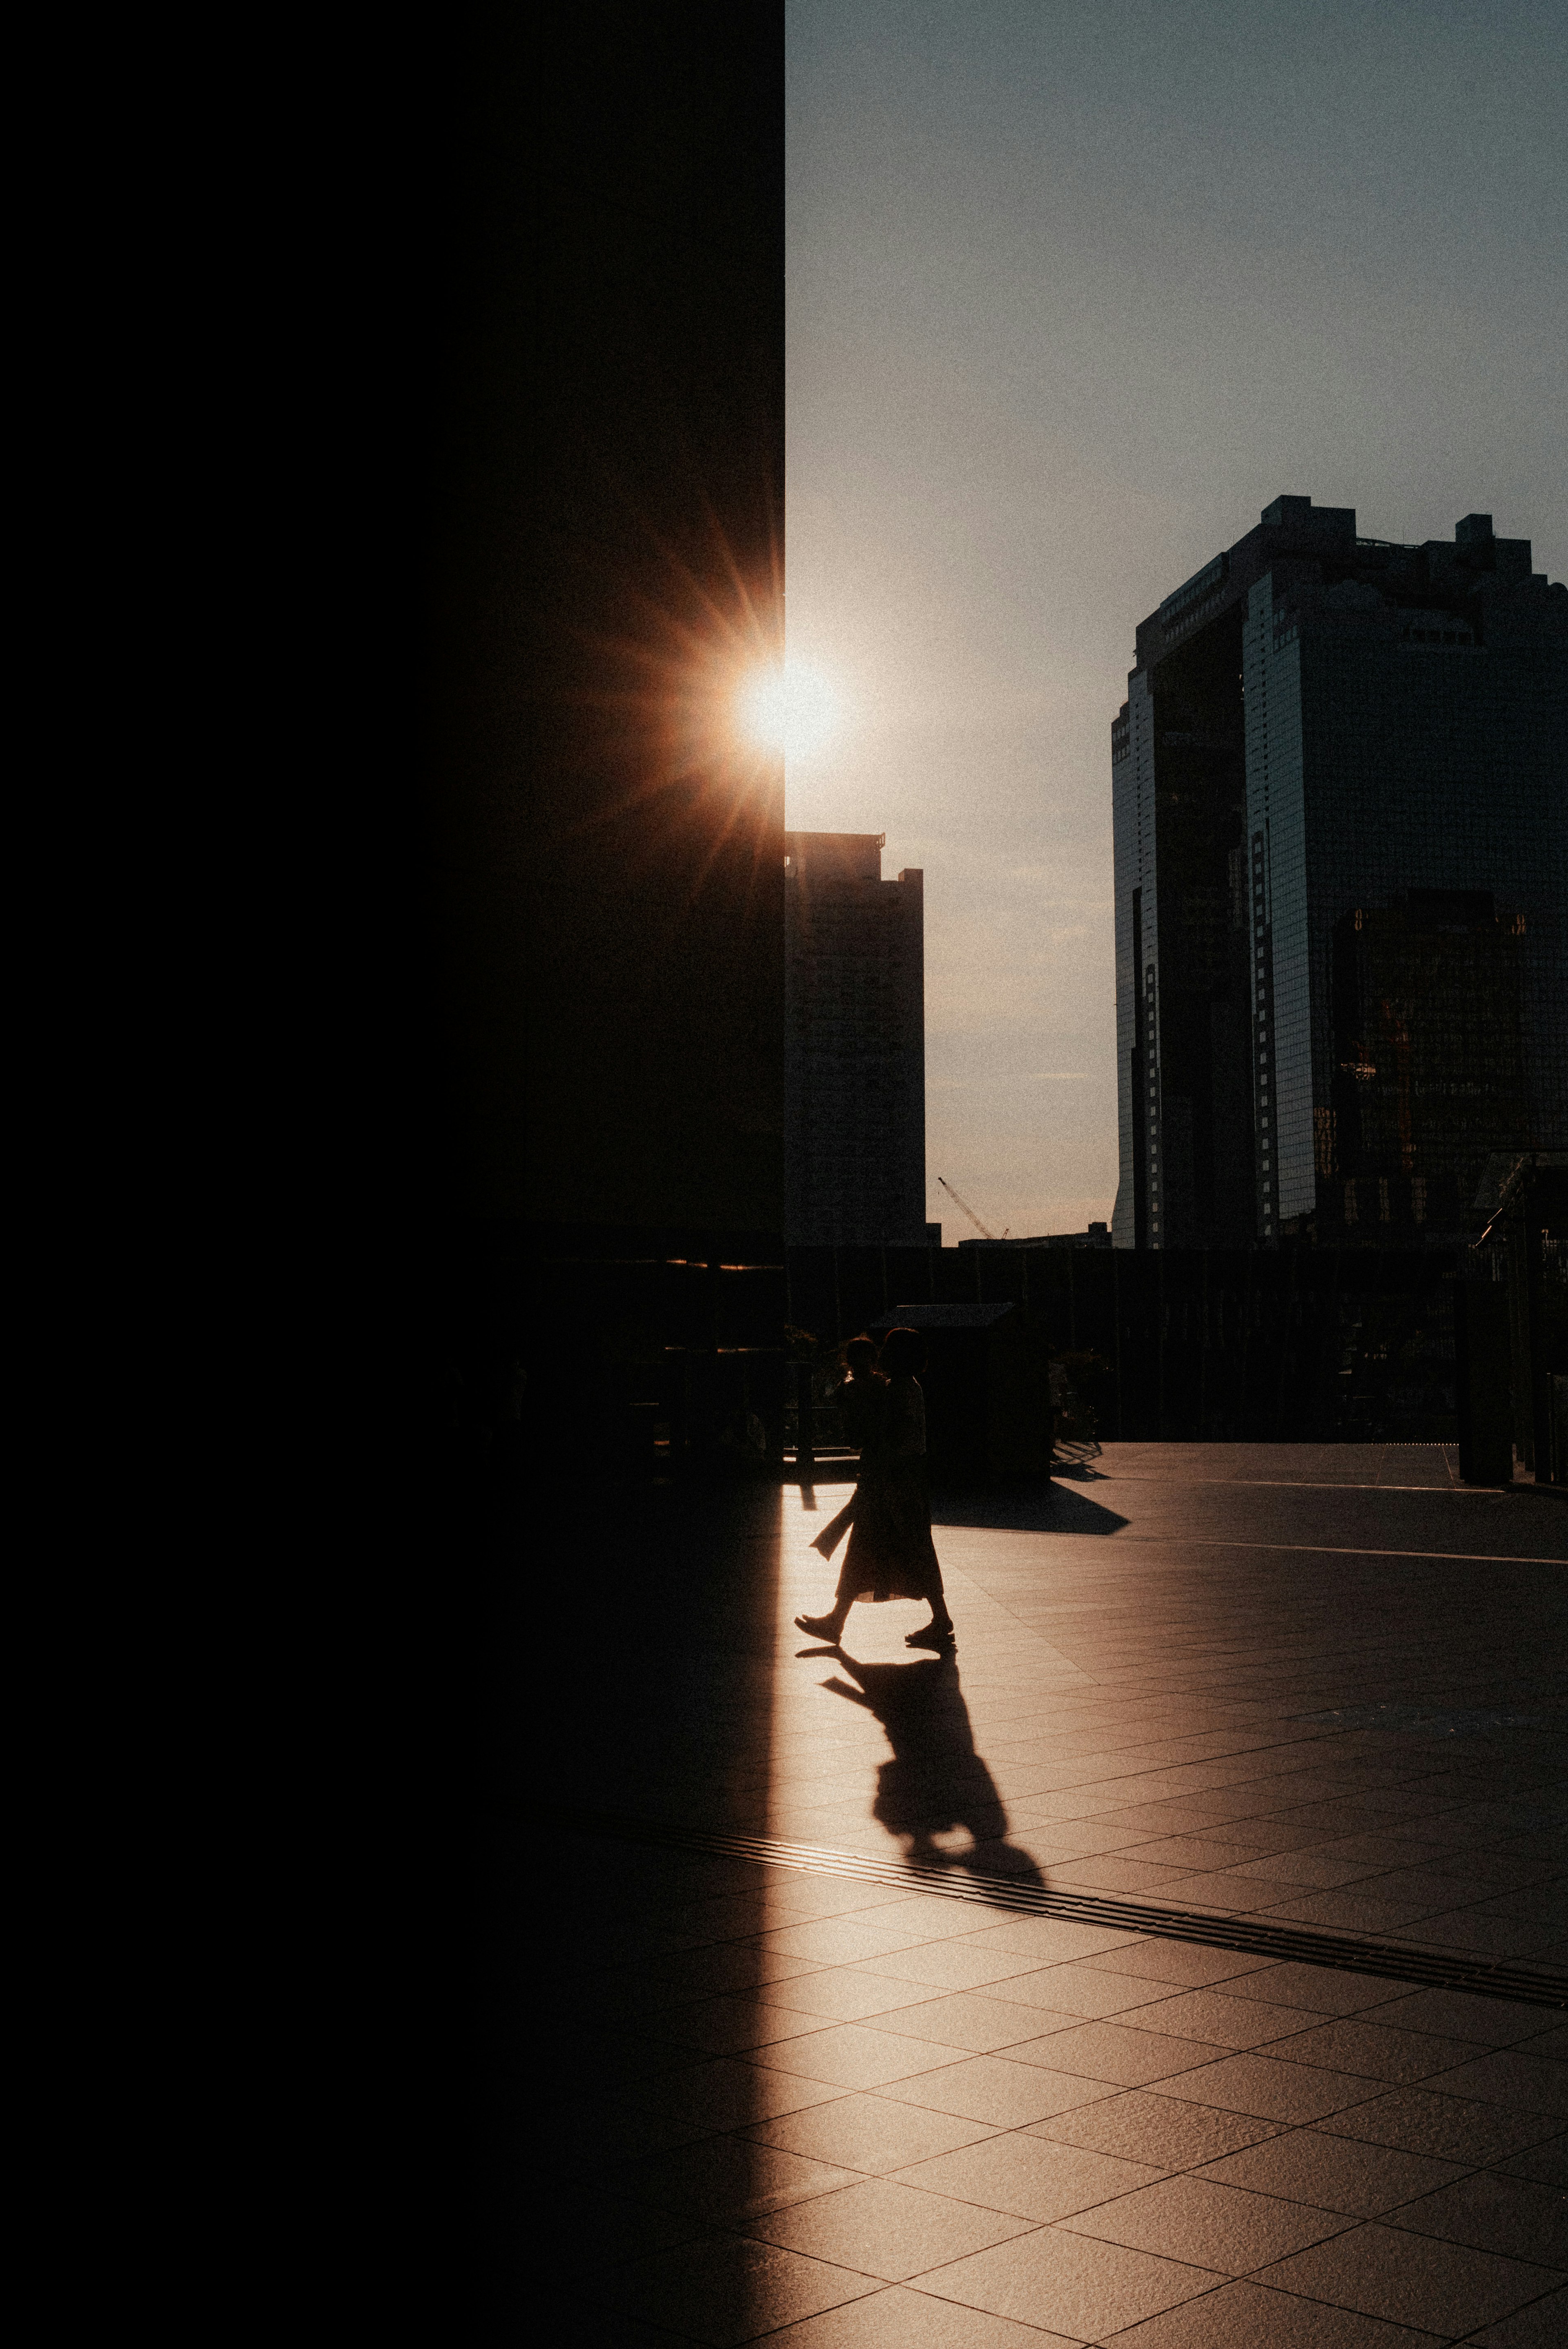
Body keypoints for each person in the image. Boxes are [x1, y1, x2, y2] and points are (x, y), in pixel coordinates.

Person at [795, 1325, 955, 1652]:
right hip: (900, 1481)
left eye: (887, 1349)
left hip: (894, 1481)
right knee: (898, 1548)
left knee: (893, 1548)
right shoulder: (904, 1387)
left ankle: (840, 1622)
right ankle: (838, 1621)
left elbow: (891, 1437)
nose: (881, 1354)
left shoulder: (898, 1390)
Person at [809, 1337, 883, 1558]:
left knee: (863, 1495)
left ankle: (828, 1538)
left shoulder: (848, 1387)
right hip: (877, 1447)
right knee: (866, 1496)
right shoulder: (876, 1385)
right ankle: (828, 1538)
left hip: (868, 1448)